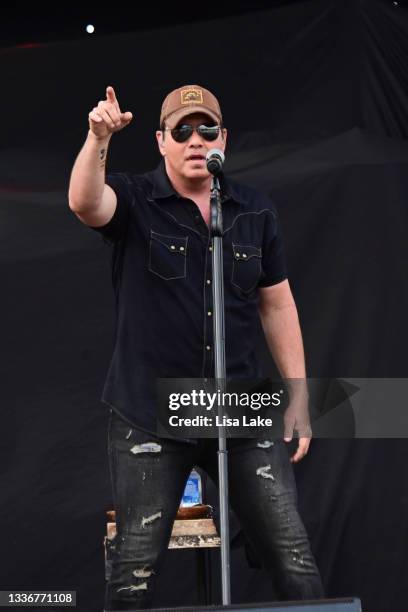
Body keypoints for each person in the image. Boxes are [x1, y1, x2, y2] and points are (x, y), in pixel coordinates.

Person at [68, 84, 324, 610]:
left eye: (206, 128)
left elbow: (277, 305)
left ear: (222, 139)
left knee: (293, 557)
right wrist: (99, 139)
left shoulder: (254, 211)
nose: (194, 139)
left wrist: (297, 393)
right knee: (133, 572)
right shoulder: (137, 199)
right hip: (152, 409)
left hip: (240, 406)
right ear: (161, 141)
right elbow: (85, 203)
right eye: (181, 130)